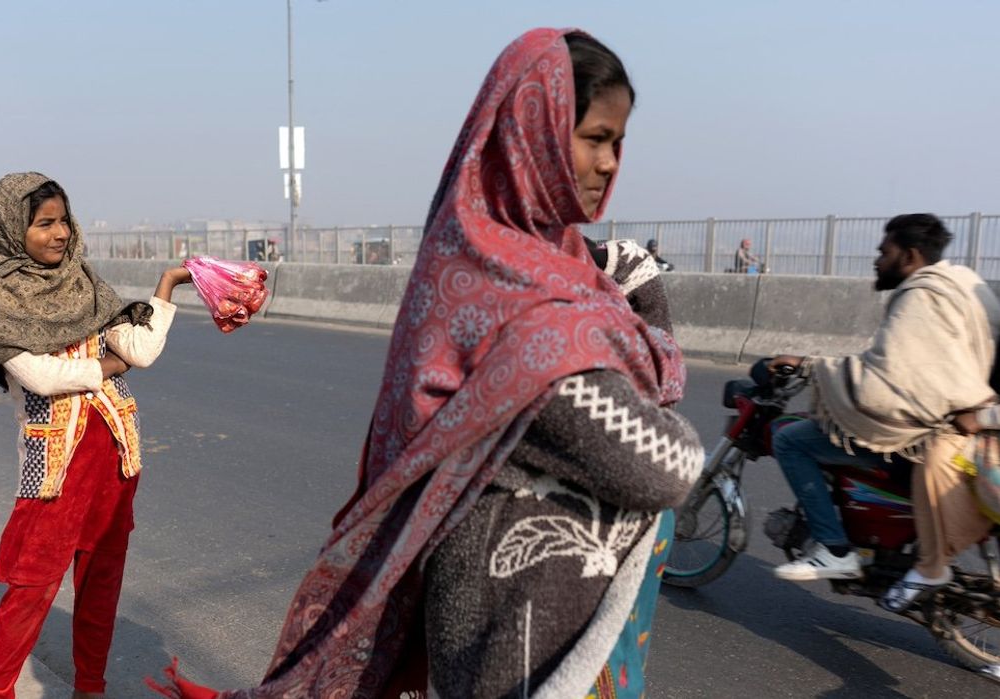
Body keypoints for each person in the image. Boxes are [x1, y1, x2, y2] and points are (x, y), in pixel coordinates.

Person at [150, 28, 700, 699]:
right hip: (522, 654)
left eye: (617, 141)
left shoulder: (485, 262)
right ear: (534, 135)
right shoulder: (538, 326)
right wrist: (642, 303)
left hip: (504, 628)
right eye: (593, 137)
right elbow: (668, 464)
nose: (610, 162)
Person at [0, 173, 192, 698]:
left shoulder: (84, 283)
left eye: (63, 221)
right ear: (13, 228)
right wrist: (108, 365)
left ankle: (90, 688)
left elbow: (141, 352)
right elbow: (42, 377)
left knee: (101, 585)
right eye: (44, 223)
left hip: (116, 461)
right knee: (31, 587)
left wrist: (166, 286)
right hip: (53, 468)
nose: (60, 234)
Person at [768, 214, 999, 609]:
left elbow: (885, 384)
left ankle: (833, 547)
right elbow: (913, 365)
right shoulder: (961, 283)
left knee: (791, 440)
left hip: (926, 434)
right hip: (968, 422)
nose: (876, 260)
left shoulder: (920, 297)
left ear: (909, 255)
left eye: (883, 252)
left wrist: (811, 367)